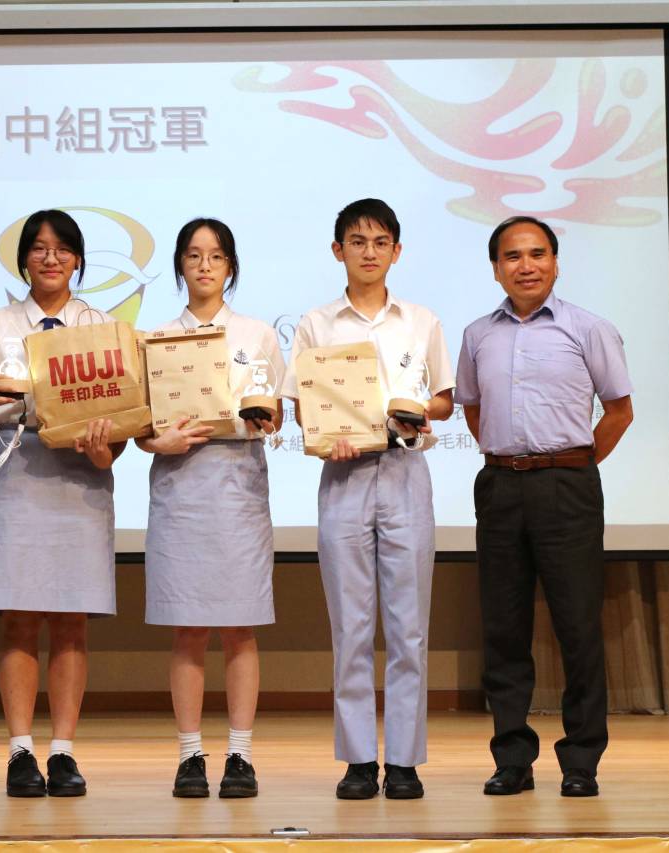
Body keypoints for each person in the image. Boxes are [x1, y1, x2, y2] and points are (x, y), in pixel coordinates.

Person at [280, 199, 454, 800]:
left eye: (381, 242)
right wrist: (328, 431)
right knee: (350, 627)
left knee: (409, 628)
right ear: (338, 251)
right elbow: (301, 407)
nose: (369, 252)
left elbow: (445, 400)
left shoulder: (421, 320)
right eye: (357, 241)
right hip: (344, 477)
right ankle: (358, 760)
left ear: (397, 251)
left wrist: (416, 410)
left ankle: (403, 761)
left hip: (405, 474)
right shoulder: (316, 323)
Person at [454, 215, 634, 799]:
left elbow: (619, 411)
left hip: (568, 487)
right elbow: (472, 409)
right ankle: (512, 759)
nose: (525, 266)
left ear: (555, 262)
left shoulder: (589, 328)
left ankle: (582, 761)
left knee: (578, 627)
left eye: (537, 254)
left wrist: (573, 462)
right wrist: (514, 458)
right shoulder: (477, 334)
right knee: (504, 629)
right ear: (495, 268)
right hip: (500, 486)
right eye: (512, 256)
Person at [0, 209, 123, 798]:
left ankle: (64, 752)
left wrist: (104, 445)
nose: (50, 258)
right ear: (23, 259)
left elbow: (122, 426)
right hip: (17, 470)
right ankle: (20, 752)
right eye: (38, 248)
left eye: (62, 248)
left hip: (80, 474)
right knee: (20, 617)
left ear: (77, 259)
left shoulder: (102, 327)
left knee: (72, 621)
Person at [136, 218, 285, 799]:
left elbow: (276, 413)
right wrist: (160, 442)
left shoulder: (258, 335)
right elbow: (141, 429)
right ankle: (190, 756)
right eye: (194, 255)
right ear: (180, 265)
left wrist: (265, 418)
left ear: (230, 267)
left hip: (237, 491)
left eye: (216, 256)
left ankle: (240, 756)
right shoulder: (155, 340)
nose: (204, 265)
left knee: (240, 628)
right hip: (181, 490)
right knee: (188, 627)